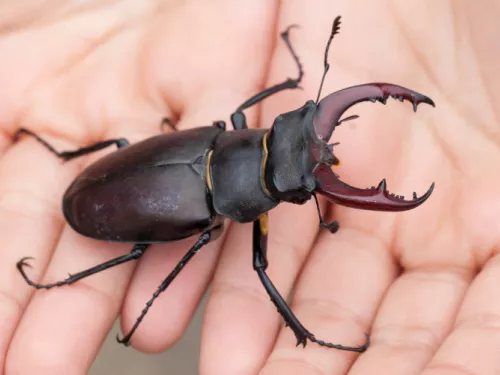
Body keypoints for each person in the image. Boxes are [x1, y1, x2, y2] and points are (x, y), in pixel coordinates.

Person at [0, 1, 499, 374]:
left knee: (131, 156)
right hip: (97, 205)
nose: (310, 148)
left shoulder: (220, 132)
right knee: (147, 253)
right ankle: (304, 335)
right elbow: (239, 269)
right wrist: (151, 297)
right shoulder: (213, 209)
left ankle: (300, 335)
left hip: (161, 167)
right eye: (295, 126)